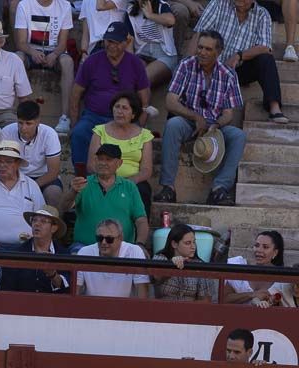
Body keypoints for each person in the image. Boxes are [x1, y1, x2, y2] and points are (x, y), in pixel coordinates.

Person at [156, 30, 247, 207]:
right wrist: (195, 117)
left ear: (218, 52)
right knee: (173, 125)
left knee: (238, 136)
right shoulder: (186, 65)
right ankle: (168, 187)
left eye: (207, 49)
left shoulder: (228, 74)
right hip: (188, 121)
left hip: (215, 126)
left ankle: (219, 189)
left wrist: (215, 125)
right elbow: (170, 101)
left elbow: (229, 114)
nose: (202, 52)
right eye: (200, 47)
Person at [69, 21, 151, 173]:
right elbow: (75, 93)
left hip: (124, 118)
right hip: (93, 117)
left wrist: (138, 124)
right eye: (108, 41)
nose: (111, 45)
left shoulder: (136, 64)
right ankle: (81, 179)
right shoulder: (92, 61)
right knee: (79, 133)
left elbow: (145, 99)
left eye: (115, 42)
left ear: (126, 42)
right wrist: (74, 123)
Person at [195, 0, 289, 123]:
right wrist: (187, 65)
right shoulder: (218, 3)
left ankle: (274, 108)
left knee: (266, 58)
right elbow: (199, 33)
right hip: (211, 66)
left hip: (237, 70)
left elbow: (265, 47)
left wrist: (238, 56)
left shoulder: (262, 14)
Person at [61, 143, 149, 251]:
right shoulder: (83, 183)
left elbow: (141, 220)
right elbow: (64, 208)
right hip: (85, 246)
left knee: (137, 257)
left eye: (108, 159)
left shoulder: (129, 187)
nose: (103, 163)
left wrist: (140, 244)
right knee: (76, 255)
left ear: (119, 163)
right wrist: (73, 191)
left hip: (121, 248)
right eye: (100, 159)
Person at [87, 92, 155, 216]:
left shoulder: (145, 135)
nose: (119, 111)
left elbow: (146, 170)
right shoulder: (99, 131)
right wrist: (110, 180)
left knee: (143, 190)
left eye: (125, 108)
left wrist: (130, 181)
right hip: (103, 177)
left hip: (133, 182)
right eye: (117, 107)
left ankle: (138, 232)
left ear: (133, 114)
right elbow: (91, 165)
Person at [13, 0, 75, 133]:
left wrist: (54, 54)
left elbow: (62, 44)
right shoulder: (25, 5)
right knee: (17, 58)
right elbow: (21, 43)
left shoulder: (64, 5)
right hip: (30, 51)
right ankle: (21, 114)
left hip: (55, 52)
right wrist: (32, 52)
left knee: (67, 62)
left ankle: (65, 117)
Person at [1, 101, 64, 207]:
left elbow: (53, 172)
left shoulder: (49, 134)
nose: (23, 128)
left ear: (38, 121)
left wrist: (30, 186)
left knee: (53, 193)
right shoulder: (7, 132)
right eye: (20, 123)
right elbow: (4, 164)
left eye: (28, 123)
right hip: (14, 176)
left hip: (44, 177)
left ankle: (55, 223)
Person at [0, 205, 71, 292]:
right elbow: (8, 290)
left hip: (51, 304)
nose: (37, 224)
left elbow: (67, 288)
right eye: (34, 220)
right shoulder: (17, 253)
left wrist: (53, 275)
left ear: (54, 228)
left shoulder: (63, 254)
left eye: (43, 221)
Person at [75, 218, 152, 297]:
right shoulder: (84, 252)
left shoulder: (134, 251)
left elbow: (142, 293)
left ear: (121, 238)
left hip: (124, 308)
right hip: (92, 307)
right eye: (100, 238)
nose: (104, 242)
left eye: (109, 239)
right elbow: (75, 291)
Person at [153, 222, 217, 301]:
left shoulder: (200, 265)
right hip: (163, 310)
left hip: (191, 311)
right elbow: (156, 276)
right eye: (188, 243)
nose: (193, 247)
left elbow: (206, 300)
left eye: (194, 242)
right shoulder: (161, 258)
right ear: (174, 244)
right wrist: (172, 265)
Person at [224, 230, 288, 303]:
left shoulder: (281, 279)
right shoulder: (238, 265)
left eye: (265, 247)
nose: (259, 250)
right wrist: (252, 294)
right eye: (257, 245)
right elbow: (224, 298)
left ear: (275, 252)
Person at [128, 0, 180, 86]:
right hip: (141, 54)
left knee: (143, 79)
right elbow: (129, 41)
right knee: (129, 75)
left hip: (165, 54)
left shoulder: (161, 6)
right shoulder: (130, 11)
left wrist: (150, 15)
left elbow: (171, 20)